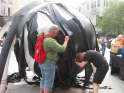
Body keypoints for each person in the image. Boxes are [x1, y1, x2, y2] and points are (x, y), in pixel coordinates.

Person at [38, 25, 69, 93]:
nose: (57, 34)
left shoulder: (41, 37)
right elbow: (62, 49)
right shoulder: (50, 41)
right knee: (48, 81)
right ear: (53, 32)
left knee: (43, 79)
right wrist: (66, 41)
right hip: (48, 63)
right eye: (56, 32)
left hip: (41, 61)